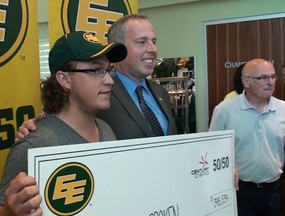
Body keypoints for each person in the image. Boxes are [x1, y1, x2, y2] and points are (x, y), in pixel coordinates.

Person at [0, 30, 127, 216]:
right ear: (64, 79)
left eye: (109, 70)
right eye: (96, 70)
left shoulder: (106, 129)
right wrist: (11, 212)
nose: (109, 80)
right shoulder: (33, 145)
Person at [15, 14, 177, 142]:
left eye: (154, 41)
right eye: (142, 42)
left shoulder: (160, 92)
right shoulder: (96, 94)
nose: (153, 49)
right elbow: (60, 119)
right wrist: (32, 130)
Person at [209, 58, 285, 216]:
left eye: (273, 77)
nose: (270, 82)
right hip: (239, 191)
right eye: (263, 78)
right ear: (246, 81)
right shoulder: (225, 110)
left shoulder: (284, 109)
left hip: (273, 190)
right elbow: (212, 149)